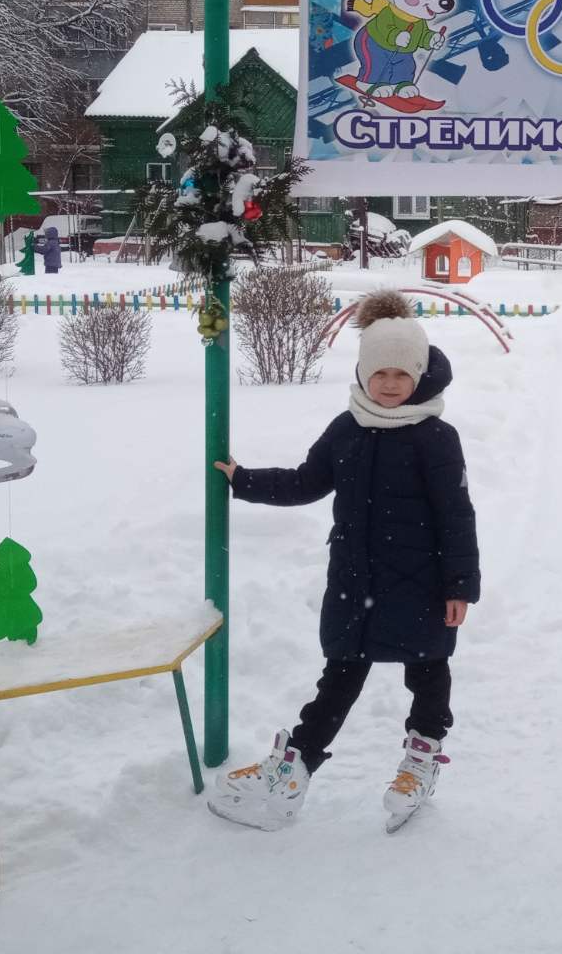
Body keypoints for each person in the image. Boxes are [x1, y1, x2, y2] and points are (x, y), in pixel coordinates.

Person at [208, 289, 479, 831]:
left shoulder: (436, 437)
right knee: (339, 676)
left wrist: (459, 586)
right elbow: (308, 482)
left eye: (402, 375)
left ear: (420, 376)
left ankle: (421, 760)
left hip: (422, 585)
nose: (390, 384)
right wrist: (245, 480)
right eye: (380, 373)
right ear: (362, 373)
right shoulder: (347, 428)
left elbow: (456, 514)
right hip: (356, 581)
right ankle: (296, 766)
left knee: (428, 672)